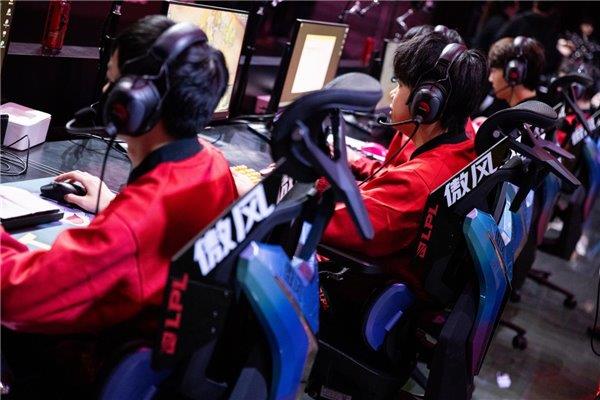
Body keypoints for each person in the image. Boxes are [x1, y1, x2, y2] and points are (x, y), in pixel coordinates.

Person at [1, 15, 238, 336]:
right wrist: (115, 205)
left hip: (93, 356)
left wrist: (123, 219)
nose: (105, 93)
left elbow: (15, 297)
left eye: (112, 82)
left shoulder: (133, 222)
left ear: (137, 102)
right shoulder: (211, 162)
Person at [321, 33, 487, 295]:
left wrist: (295, 186)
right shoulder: (463, 144)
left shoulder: (418, 181)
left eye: (399, 84)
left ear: (426, 104)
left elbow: (325, 223)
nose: (392, 93)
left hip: (356, 289)